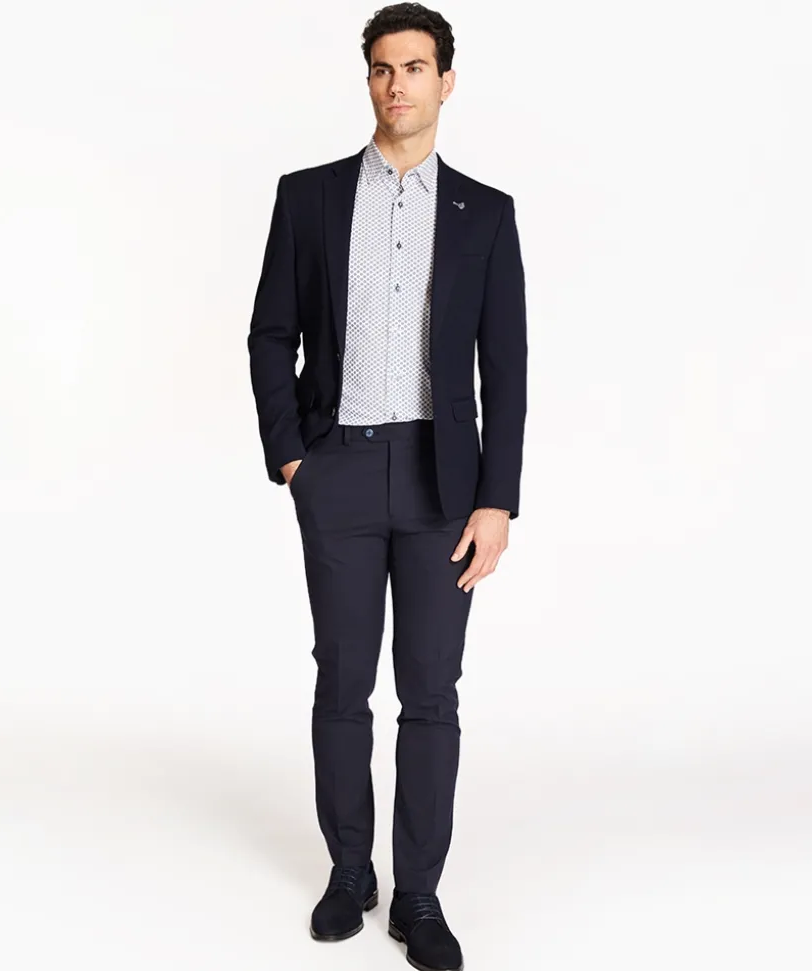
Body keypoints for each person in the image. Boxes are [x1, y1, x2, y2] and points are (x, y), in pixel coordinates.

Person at [247, 4, 527, 968]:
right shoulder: (310, 197)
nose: (395, 83)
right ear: (367, 80)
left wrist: (497, 499)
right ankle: (348, 871)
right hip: (341, 469)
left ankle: (418, 893)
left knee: (431, 692)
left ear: (446, 80)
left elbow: (506, 369)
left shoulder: (486, 213)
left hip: (445, 483)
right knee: (341, 678)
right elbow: (270, 333)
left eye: (413, 67)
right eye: (380, 67)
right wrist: (294, 456)